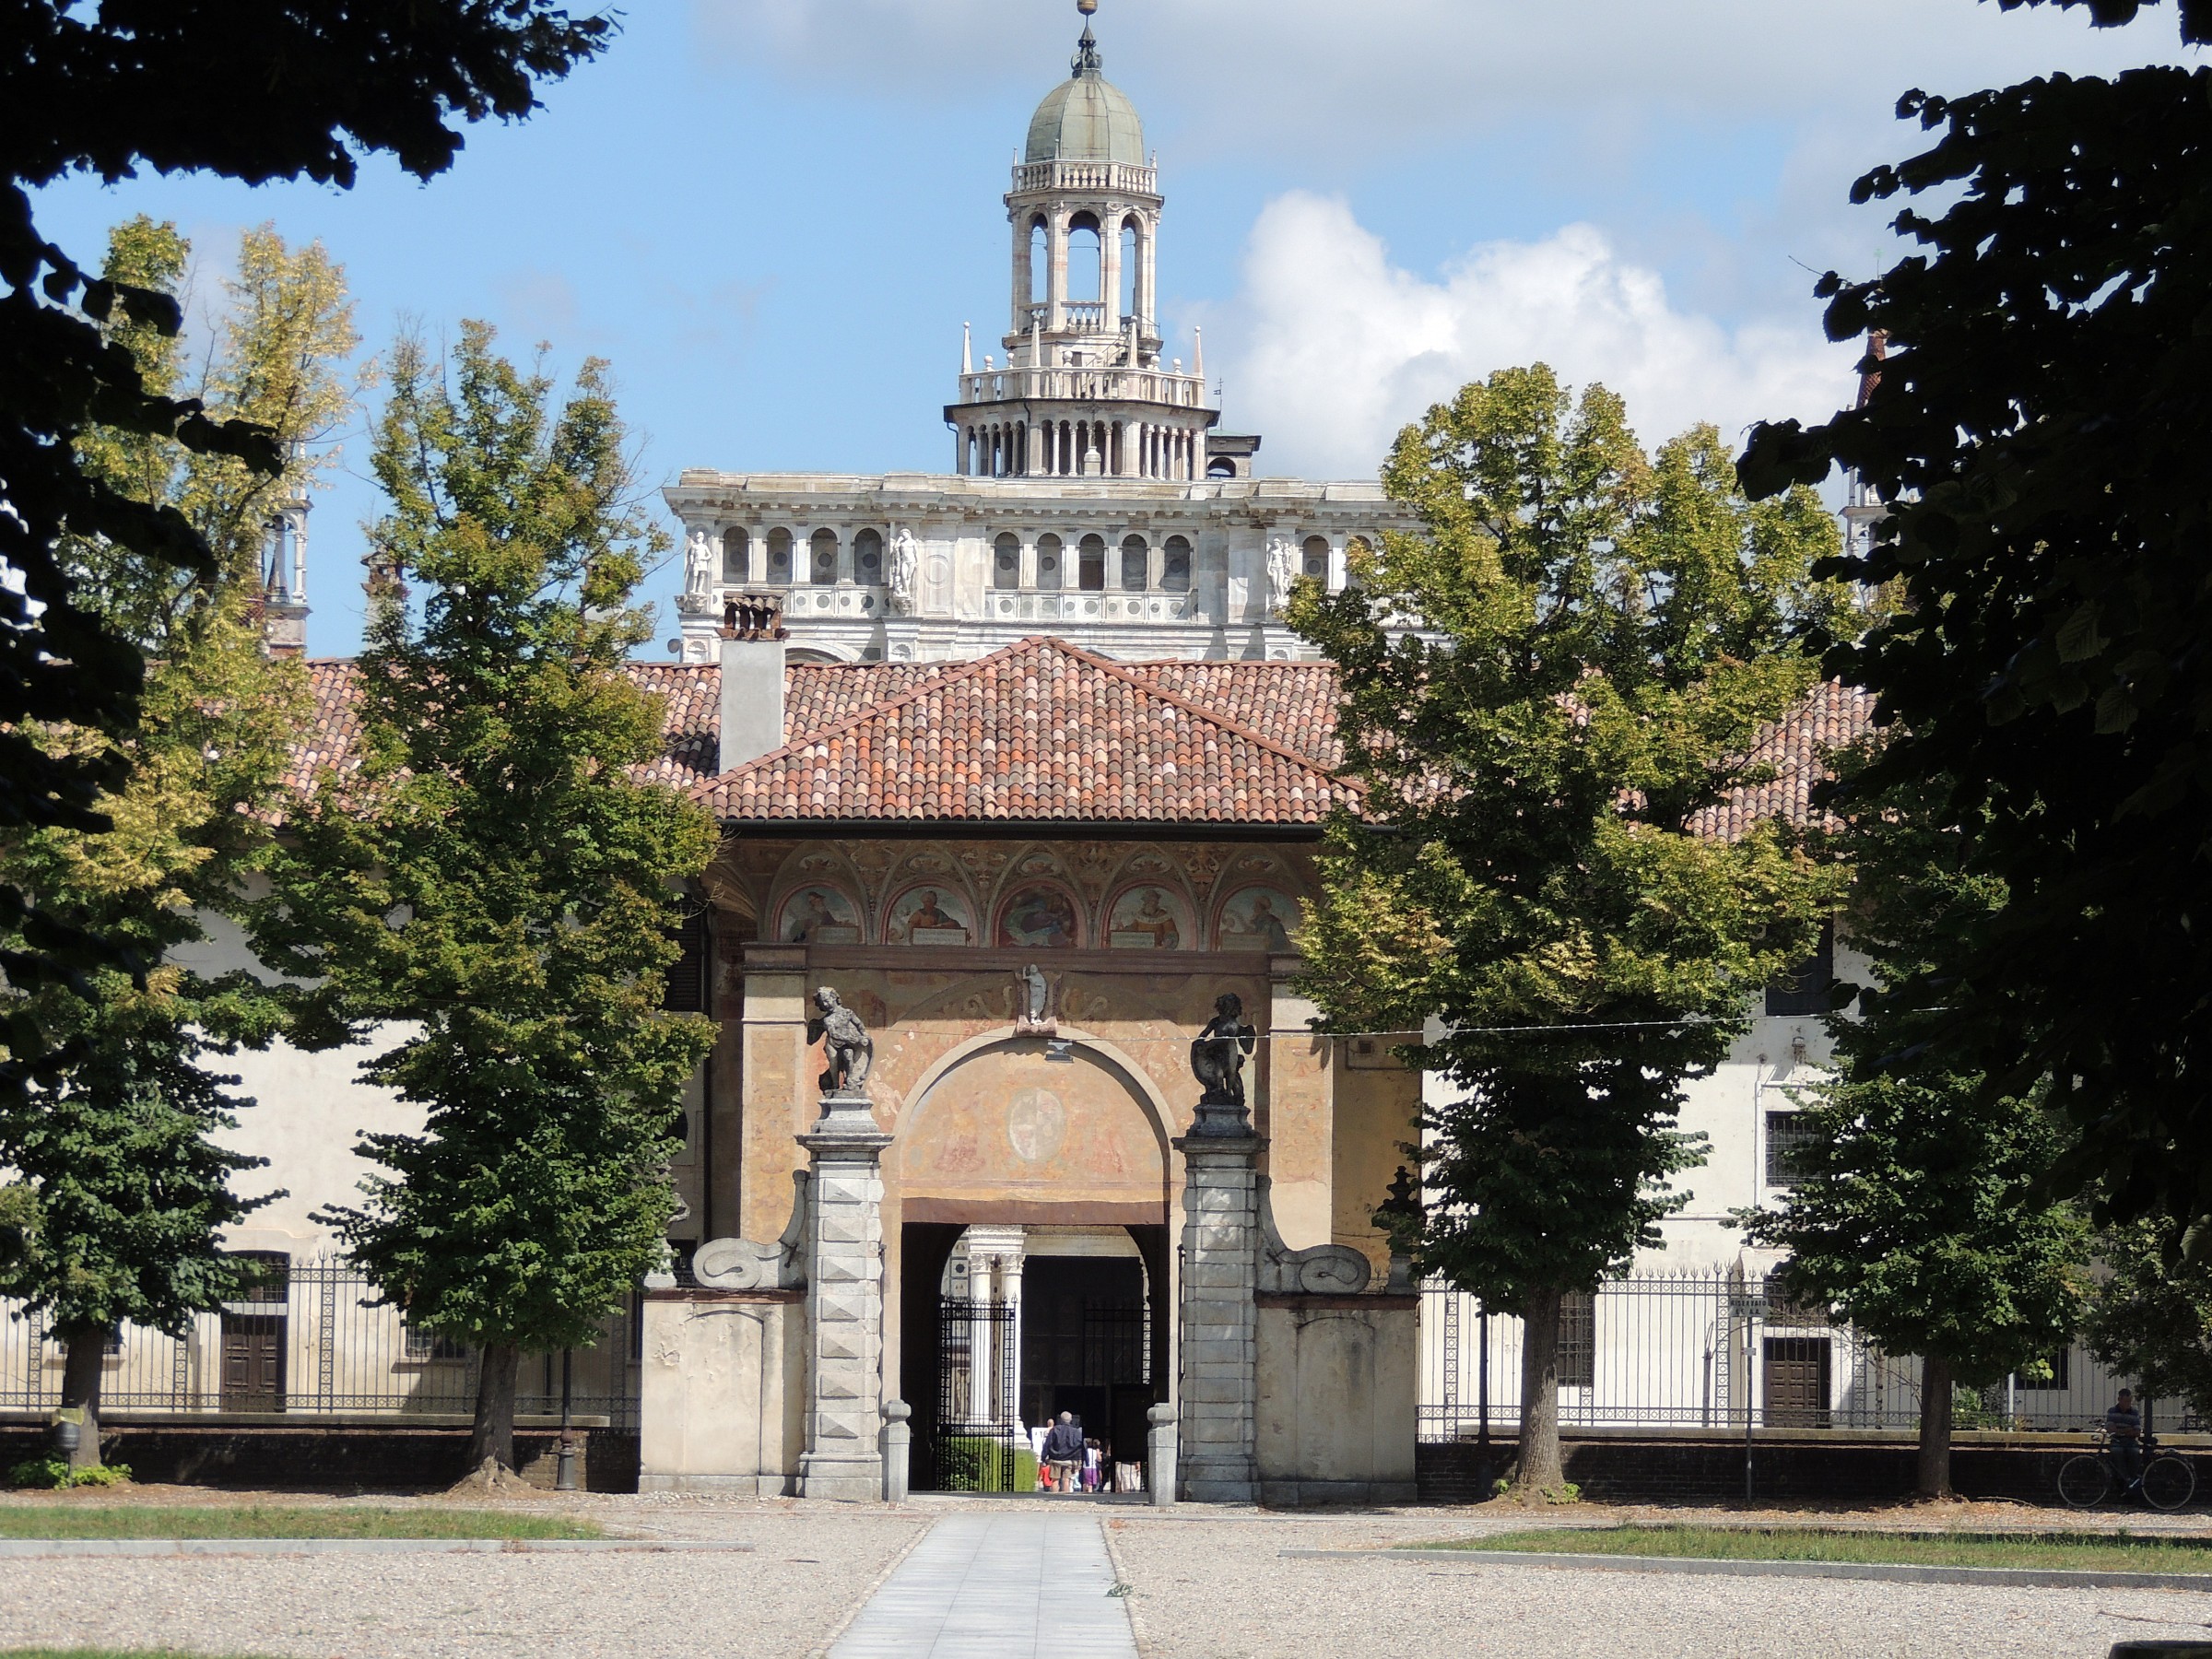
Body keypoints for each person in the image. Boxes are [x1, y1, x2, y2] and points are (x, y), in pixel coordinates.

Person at [2107, 1389, 2145, 1489]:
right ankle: (2124, 1479)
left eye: (2129, 1401)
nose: (2128, 1404)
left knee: (2134, 1453)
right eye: (2126, 1401)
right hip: (2116, 1441)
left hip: (2130, 1441)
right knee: (2117, 1452)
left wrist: (2120, 1431)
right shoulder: (2112, 1411)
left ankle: (2132, 1479)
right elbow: (2111, 1430)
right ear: (2119, 1399)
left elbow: (2137, 1432)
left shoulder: (2134, 1412)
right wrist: (2128, 1429)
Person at [1042, 1410, 1085, 1494]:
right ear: (1071, 1419)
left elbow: (1047, 1444)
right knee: (1066, 1480)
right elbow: (1079, 1446)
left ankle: (1054, 1496)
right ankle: (1065, 1497)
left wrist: (1043, 1457)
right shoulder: (1076, 1432)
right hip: (1069, 1459)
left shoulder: (1054, 1430)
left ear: (1060, 1419)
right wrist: (1079, 1459)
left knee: (1055, 1479)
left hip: (1055, 1459)